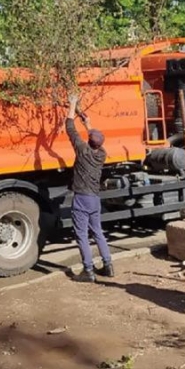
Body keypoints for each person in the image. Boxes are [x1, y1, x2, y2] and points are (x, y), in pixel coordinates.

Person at [66, 93, 113, 283]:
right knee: (98, 232)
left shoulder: (82, 150)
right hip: (94, 199)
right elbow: (94, 138)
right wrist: (88, 124)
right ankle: (108, 265)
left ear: (89, 141)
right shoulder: (102, 154)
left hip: (82, 199)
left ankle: (88, 270)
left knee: (82, 235)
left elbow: (70, 128)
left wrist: (72, 104)